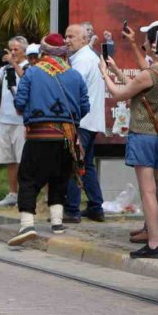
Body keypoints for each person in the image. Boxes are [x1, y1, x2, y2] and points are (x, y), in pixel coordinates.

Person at [7, 33, 90, 245]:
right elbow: (84, 107)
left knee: (28, 178)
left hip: (38, 136)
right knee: (59, 178)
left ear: (43, 53)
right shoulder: (75, 75)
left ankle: (27, 224)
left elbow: (20, 103)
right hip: (66, 138)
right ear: (63, 53)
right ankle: (57, 223)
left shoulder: (32, 73)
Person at [101, 25, 158, 259]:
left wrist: (105, 73)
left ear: (153, 45)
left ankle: (154, 244)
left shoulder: (148, 73)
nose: (143, 45)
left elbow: (120, 93)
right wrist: (116, 69)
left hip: (143, 135)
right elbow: (140, 90)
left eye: (145, 42)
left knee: (148, 192)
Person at [62, 23, 105, 223]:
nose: (67, 40)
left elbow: (71, 90)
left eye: (72, 37)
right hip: (90, 121)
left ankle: (71, 210)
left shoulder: (83, 60)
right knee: (86, 164)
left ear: (84, 40)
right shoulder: (87, 57)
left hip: (81, 121)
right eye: (66, 36)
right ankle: (96, 207)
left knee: (73, 164)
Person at [0, 36, 30, 207]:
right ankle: (13, 193)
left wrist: (15, 64)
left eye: (16, 49)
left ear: (24, 51)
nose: (12, 53)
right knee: (10, 159)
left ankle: (26, 194)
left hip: (21, 121)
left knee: (23, 159)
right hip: (5, 120)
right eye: (10, 49)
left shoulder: (30, 67)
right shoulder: (5, 69)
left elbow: (26, 79)